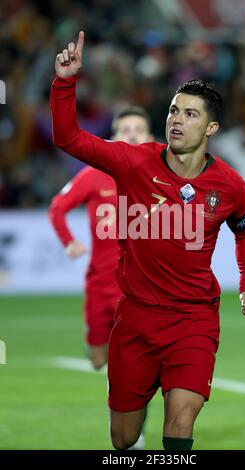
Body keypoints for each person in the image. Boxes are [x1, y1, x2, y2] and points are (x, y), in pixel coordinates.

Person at [51, 31, 245, 451]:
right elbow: (69, 139)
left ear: (212, 127)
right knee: (124, 438)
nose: (177, 120)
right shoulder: (133, 162)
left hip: (194, 319)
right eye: (172, 111)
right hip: (134, 320)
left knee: (180, 425)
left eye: (190, 114)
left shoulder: (231, 186)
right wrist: (64, 83)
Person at [48, 106, 153, 370]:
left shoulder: (160, 176)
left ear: (149, 136)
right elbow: (58, 207)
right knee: (98, 360)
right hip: (101, 282)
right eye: (125, 130)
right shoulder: (94, 174)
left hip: (140, 286)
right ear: (113, 137)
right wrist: (68, 241)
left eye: (138, 130)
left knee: (134, 359)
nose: (132, 136)